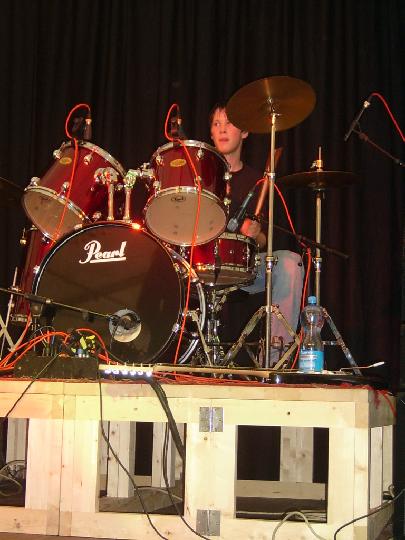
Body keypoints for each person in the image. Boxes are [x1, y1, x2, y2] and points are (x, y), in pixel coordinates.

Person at [209, 104, 304, 365]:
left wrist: (257, 233)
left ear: (245, 132)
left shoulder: (258, 181)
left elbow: (264, 243)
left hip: (245, 267)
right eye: (216, 124)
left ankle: (274, 360)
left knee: (289, 263)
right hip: (204, 264)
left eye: (229, 123)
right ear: (211, 134)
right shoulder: (201, 178)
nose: (222, 129)